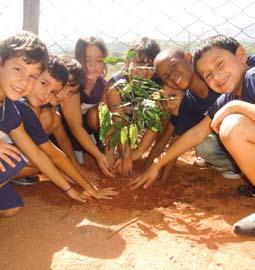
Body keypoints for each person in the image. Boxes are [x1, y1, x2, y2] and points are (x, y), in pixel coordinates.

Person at [129, 34, 255, 236]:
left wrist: (235, 106)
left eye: (220, 64)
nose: (216, 76)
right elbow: (195, 134)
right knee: (229, 129)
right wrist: (157, 165)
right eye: (208, 75)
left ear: (241, 55)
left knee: (233, 127)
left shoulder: (251, 76)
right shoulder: (225, 97)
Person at [0, 31, 87, 218]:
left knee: (12, 207)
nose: (24, 81)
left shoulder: (10, 109)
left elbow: (39, 154)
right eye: (18, 69)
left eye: (32, 76)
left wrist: (69, 189)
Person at [13, 55, 116, 200]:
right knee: (44, 160)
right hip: (17, 151)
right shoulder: (26, 104)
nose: (62, 95)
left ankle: (15, 176)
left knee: (45, 153)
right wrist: (67, 176)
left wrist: (76, 168)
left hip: (22, 150)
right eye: (63, 88)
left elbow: (62, 139)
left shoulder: (47, 107)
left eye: (69, 93)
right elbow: (47, 154)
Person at [105, 37, 161, 175]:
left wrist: (137, 153)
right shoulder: (116, 84)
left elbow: (154, 123)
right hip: (118, 125)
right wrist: (126, 155)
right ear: (127, 62)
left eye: (150, 66)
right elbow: (119, 121)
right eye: (139, 63)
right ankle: (109, 152)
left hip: (135, 125)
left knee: (163, 110)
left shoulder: (155, 86)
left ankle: (147, 155)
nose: (144, 70)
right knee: (109, 116)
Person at [60, 36, 114, 177]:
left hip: (85, 126)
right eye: (86, 59)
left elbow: (106, 119)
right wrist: (98, 156)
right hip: (63, 127)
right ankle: (74, 152)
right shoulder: (73, 83)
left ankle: (95, 144)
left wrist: (109, 154)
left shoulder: (103, 85)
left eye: (99, 60)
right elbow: (74, 125)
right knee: (73, 165)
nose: (92, 65)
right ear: (78, 59)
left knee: (99, 113)